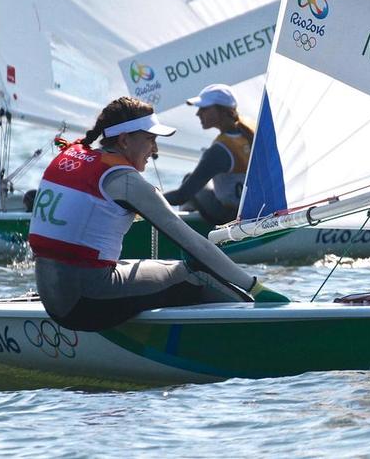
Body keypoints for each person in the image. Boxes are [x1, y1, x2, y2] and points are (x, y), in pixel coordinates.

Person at [28, 96, 287, 332]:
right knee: (197, 273)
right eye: (150, 139)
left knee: (149, 266)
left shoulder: (69, 157)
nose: (155, 151)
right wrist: (254, 287)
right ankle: (268, 329)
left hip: (54, 297)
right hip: (86, 302)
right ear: (124, 140)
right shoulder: (124, 180)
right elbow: (195, 244)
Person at [164, 83, 253, 224]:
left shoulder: (220, 150)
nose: (198, 113)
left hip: (229, 217)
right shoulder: (252, 130)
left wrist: (143, 201)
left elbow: (180, 196)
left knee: (188, 181)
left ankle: (187, 231)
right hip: (257, 212)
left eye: (204, 108)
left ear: (222, 111)